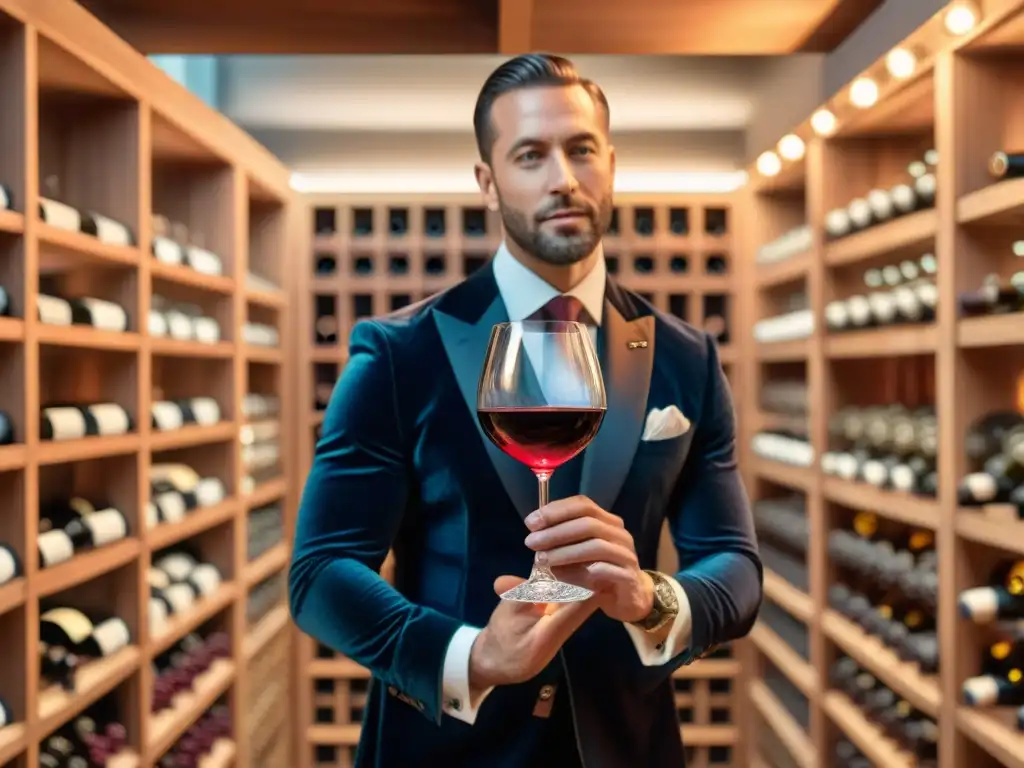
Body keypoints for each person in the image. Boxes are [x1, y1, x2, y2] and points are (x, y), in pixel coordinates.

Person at [289, 53, 763, 768]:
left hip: (628, 746)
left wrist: (651, 599)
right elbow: (321, 571)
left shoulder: (686, 356)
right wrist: (473, 655)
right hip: (446, 750)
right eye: (530, 155)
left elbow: (735, 565)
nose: (562, 178)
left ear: (611, 162)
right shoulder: (397, 353)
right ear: (488, 181)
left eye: (581, 150)